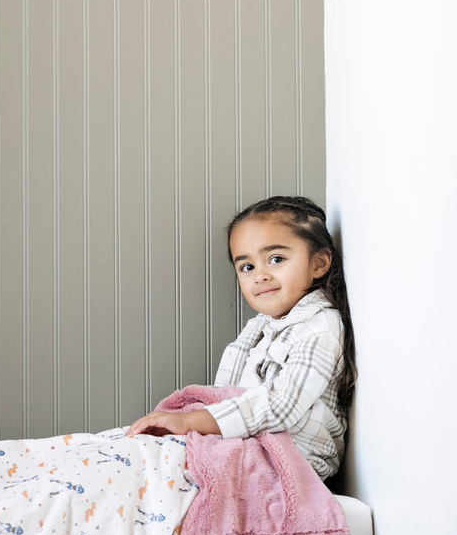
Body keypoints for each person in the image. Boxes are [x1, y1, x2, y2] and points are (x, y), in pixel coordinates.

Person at [125, 196, 356, 481]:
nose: (260, 275)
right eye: (247, 267)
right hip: (247, 443)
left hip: (294, 459)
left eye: (276, 259)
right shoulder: (259, 327)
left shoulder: (321, 326)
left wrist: (189, 422)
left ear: (319, 263)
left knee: (151, 471)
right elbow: (227, 391)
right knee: (134, 451)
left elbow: (281, 404)